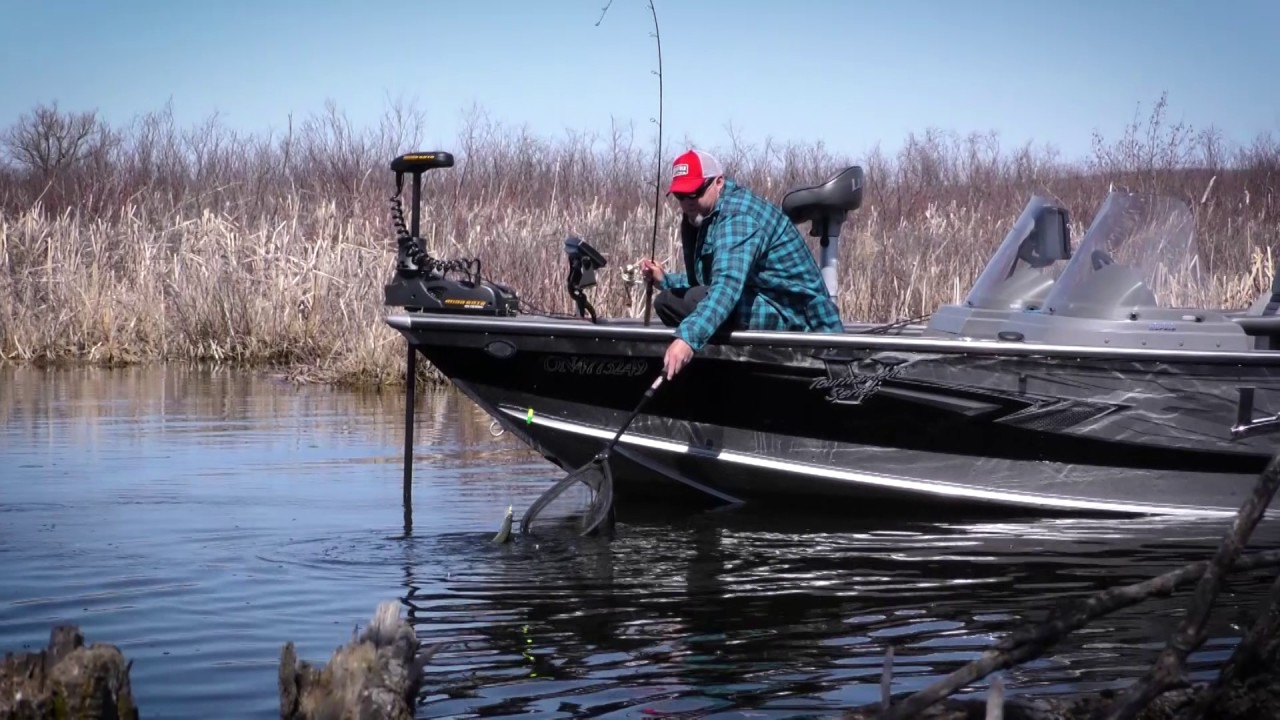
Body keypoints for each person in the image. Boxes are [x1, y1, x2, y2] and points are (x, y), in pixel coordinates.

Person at [640, 148, 844, 380]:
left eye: (694, 193)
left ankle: (723, 372)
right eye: (680, 196)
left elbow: (726, 287)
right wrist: (665, 280)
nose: (687, 203)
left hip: (795, 318)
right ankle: (716, 364)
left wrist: (688, 338)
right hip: (761, 299)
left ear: (718, 182)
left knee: (694, 300)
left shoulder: (739, 218)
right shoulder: (711, 213)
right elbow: (713, 278)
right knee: (668, 301)